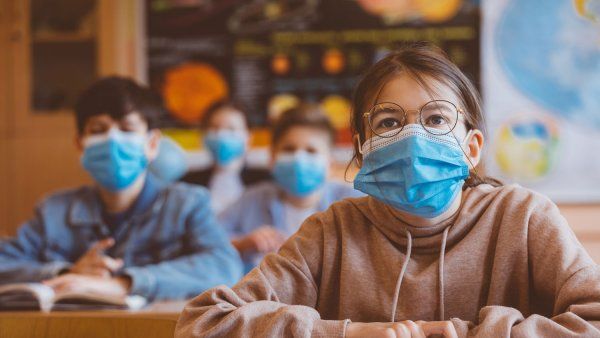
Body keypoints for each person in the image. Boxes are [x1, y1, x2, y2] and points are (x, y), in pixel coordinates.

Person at [175, 42, 600, 337]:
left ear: (472, 148)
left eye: (435, 119)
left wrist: (480, 334)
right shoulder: (331, 233)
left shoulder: (524, 217)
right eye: (389, 123)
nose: (414, 137)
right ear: (362, 150)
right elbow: (203, 323)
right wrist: (349, 333)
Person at [0, 77, 243, 302]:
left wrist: (124, 283)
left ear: (152, 144)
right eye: (98, 130)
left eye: (127, 129)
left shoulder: (188, 204)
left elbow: (224, 266)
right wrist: (68, 271)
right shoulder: (54, 211)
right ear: (79, 144)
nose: (113, 140)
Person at [219, 104, 363, 273]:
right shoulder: (252, 198)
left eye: (311, 150)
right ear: (272, 159)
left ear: (330, 164)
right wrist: (243, 243)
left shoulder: (355, 203)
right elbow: (208, 239)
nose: (299, 158)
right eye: (289, 149)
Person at [182, 100, 271, 214]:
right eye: (214, 128)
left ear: (248, 138)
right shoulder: (188, 184)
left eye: (231, 129)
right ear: (203, 136)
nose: (221, 134)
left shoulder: (265, 182)